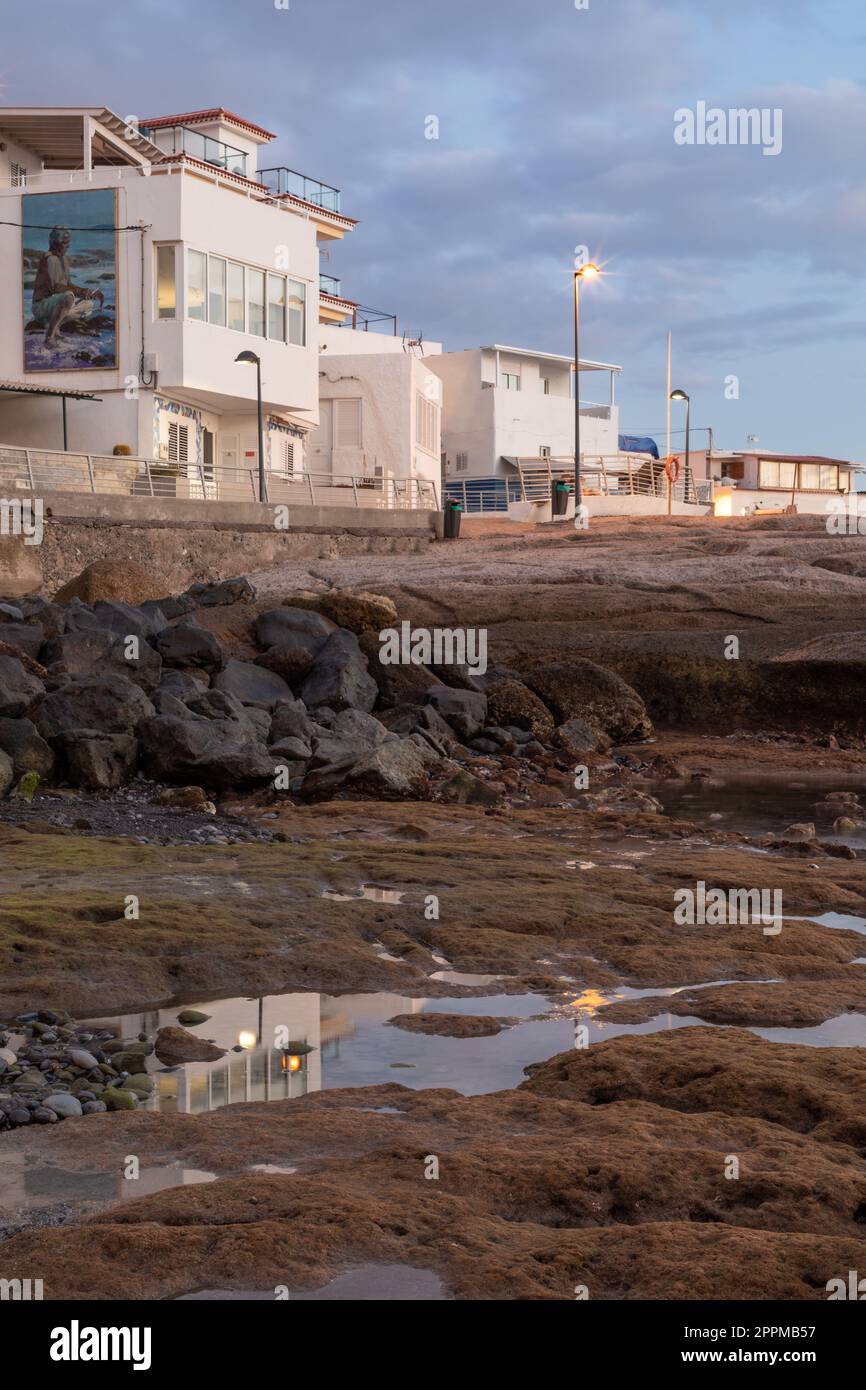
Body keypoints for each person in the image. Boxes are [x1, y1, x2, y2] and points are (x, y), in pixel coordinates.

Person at [31, 226, 104, 347]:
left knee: (89, 304)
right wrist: (80, 291)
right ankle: (50, 337)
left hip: (54, 304)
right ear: (55, 243)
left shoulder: (64, 259)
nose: (68, 245)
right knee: (69, 297)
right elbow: (56, 288)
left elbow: (67, 284)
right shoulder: (50, 259)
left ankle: (53, 325)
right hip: (41, 306)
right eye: (65, 242)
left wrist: (87, 292)